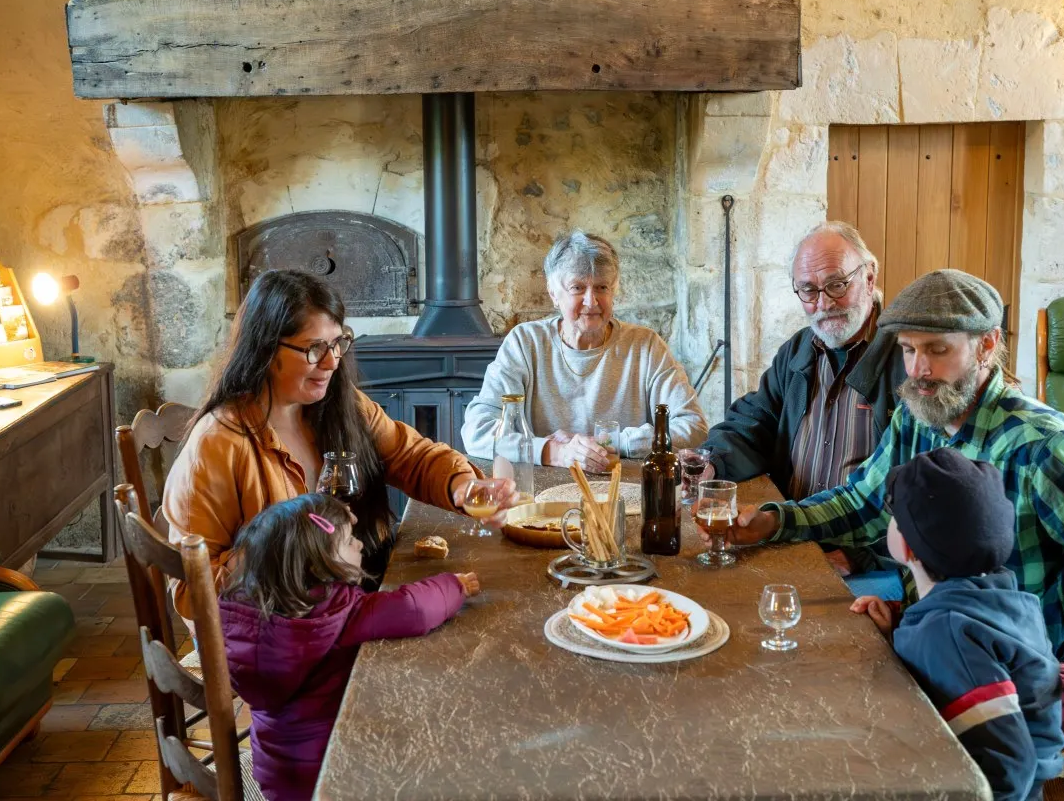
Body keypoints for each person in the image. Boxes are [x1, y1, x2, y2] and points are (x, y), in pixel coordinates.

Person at [726, 269, 1064, 772]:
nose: (918, 369)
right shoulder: (917, 415)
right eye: (909, 350)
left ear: (986, 345)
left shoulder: (1040, 446)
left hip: (1021, 689)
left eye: (937, 350)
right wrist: (773, 520)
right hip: (940, 650)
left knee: (844, 747)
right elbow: (863, 504)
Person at [163, 269, 516, 619]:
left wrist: (462, 487)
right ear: (266, 349)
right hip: (280, 632)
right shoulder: (218, 442)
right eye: (314, 348)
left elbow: (412, 455)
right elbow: (192, 587)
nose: (332, 362)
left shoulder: (341, 406)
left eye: (337, 343)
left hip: (341, 601)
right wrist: (294, 551)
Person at [220, 493, 479, 801]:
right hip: (328, 771)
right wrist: (454, 586)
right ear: (318, 567)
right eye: (348, 541)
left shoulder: (245, 613)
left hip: (275, 768)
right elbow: (412, 609)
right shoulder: (337, 611)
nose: (359, 545)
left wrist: (332, 521)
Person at [700, 222, 907, 596]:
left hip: (872, 561)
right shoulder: (799, 351)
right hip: (792, 535)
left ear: (870, 276)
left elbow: (914, 490)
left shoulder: (907, 359)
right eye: (809, 290)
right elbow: (754, 419)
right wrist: (711, 462)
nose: (823, 303)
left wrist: (857, 555)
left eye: (837, 284)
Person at [850, 448, 1063, 801]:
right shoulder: (1000, 599)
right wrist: (896, 633)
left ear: (906, 547)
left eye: (895, 515)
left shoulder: (946, 631)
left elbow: (1009, 766)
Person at [461, 231, 706, 470]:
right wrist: (554, 452)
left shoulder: (645, 345)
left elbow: (693, 426)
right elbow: (477, 430)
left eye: (602, 288)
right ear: (553, 293)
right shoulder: (526, 342)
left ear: (614, 290)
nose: (592, 301)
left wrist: (610, 443)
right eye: (578, 288)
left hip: (626, 489)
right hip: (542, 490)